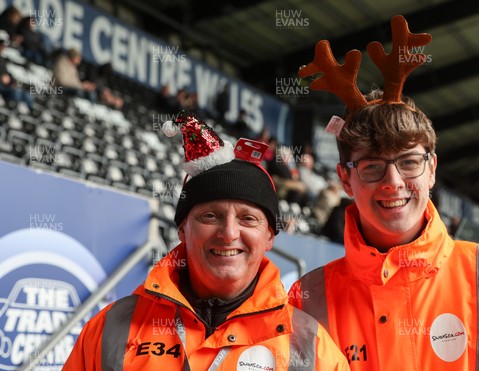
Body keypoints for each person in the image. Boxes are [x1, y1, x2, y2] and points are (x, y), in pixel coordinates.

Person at [289, 15, 479, 370]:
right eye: (371, 167)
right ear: (345, 179)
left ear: (431, 169)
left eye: (409, 162)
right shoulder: (308, 298)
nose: (393, 181)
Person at [64, 112, 349, 370]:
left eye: (248, 219)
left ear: (269, 236)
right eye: (210, 216)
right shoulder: (112, 328)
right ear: (182, 229)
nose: (229, 233)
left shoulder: (311, 347)